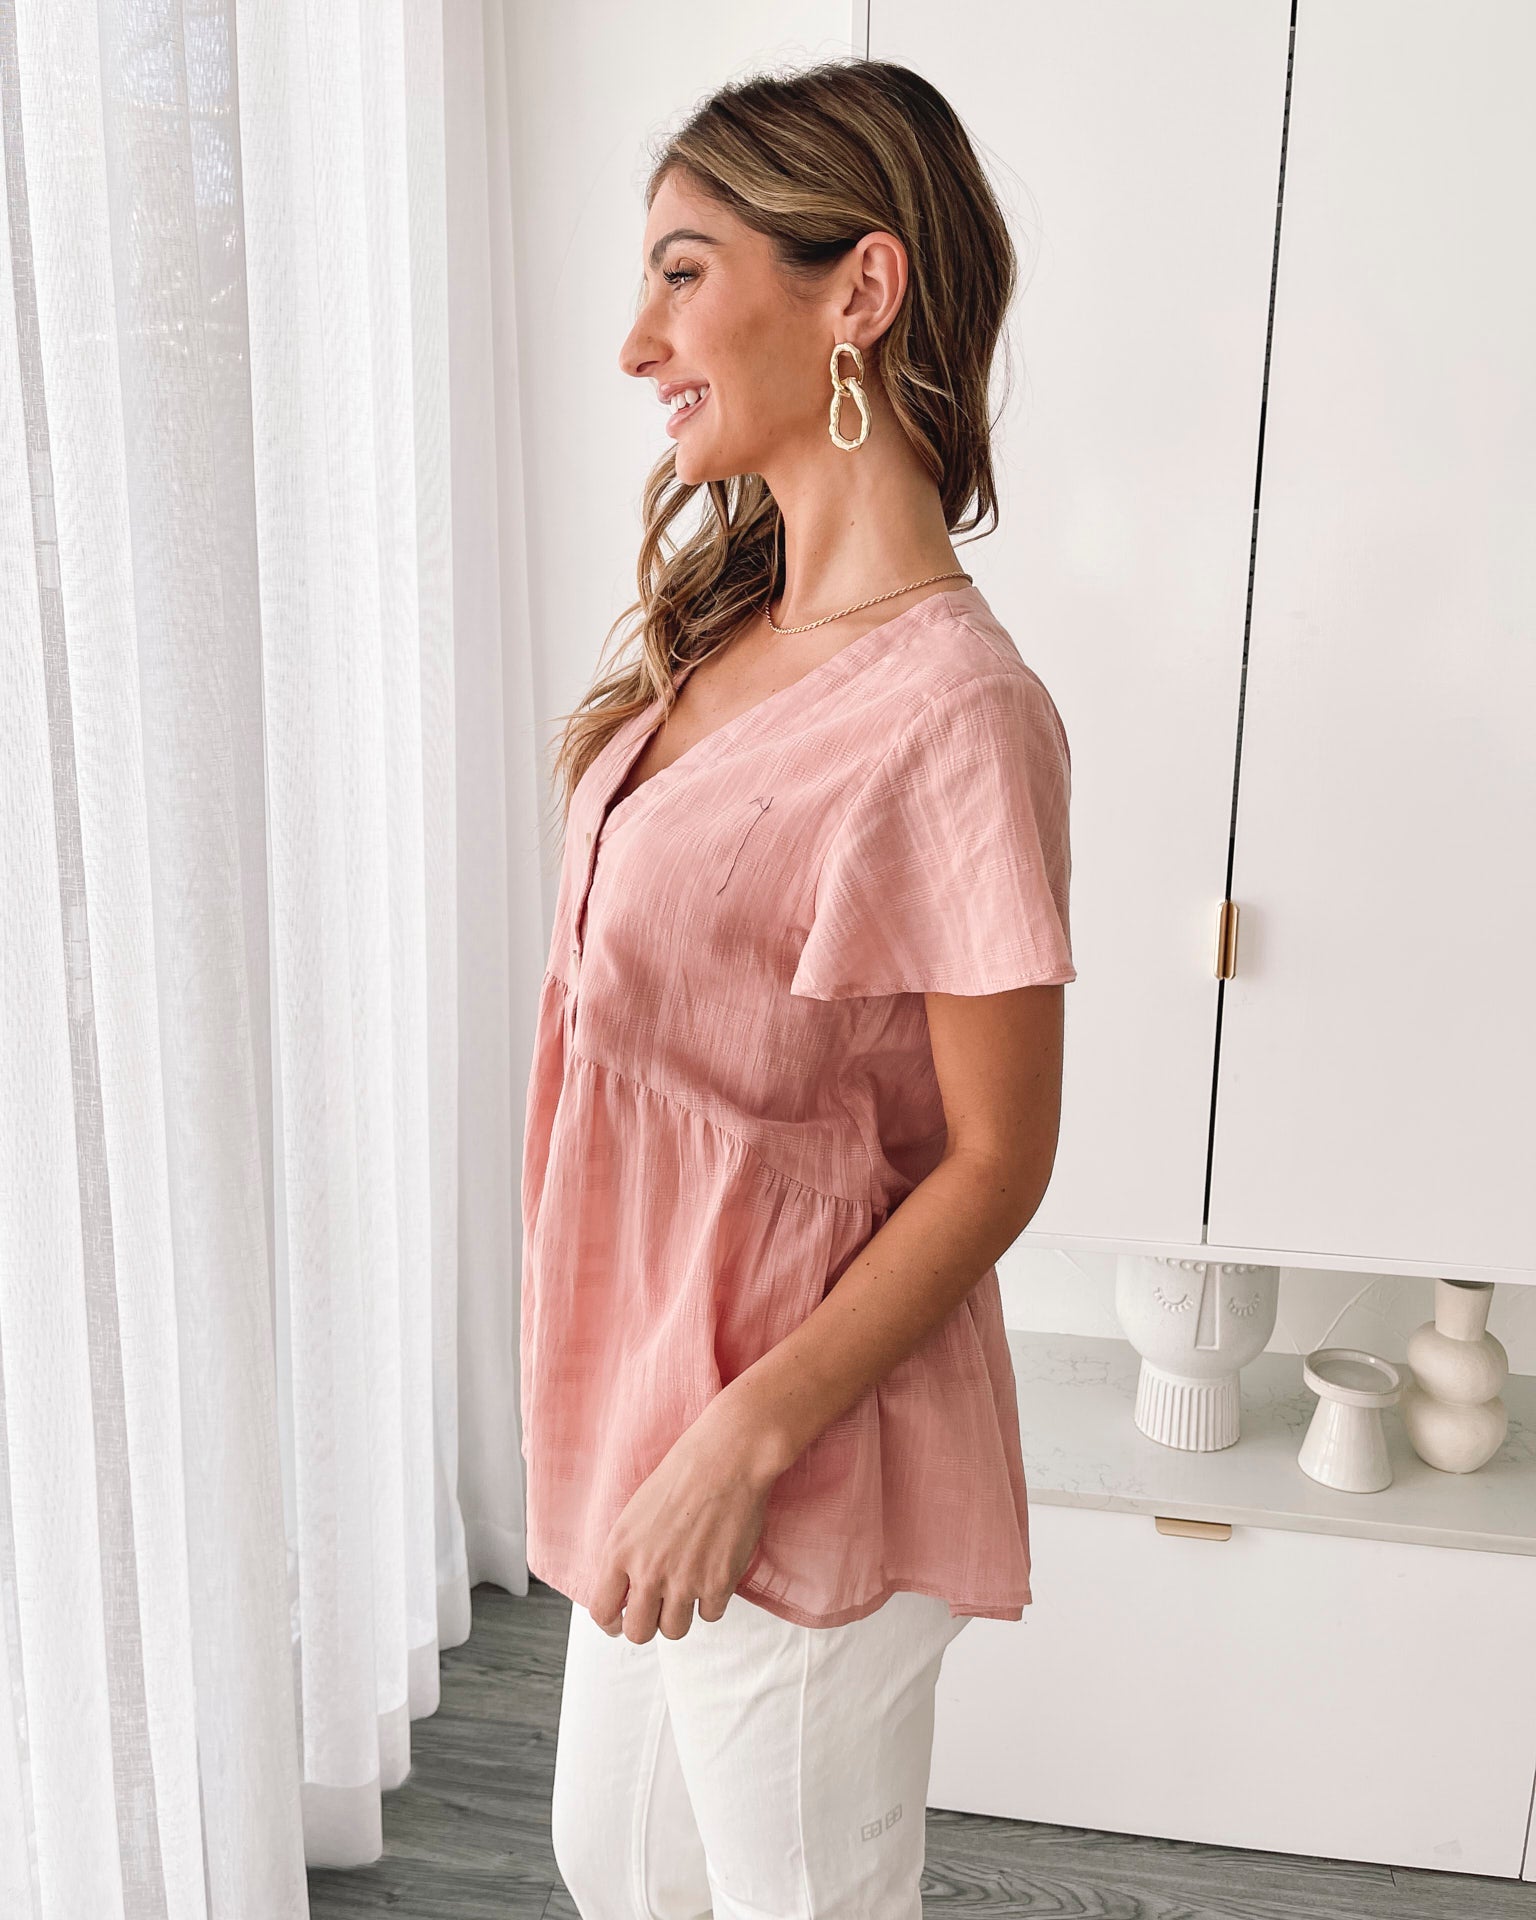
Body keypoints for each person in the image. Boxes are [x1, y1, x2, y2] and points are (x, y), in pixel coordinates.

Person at [520, 56, 1077, 1920]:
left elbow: (997, 1163)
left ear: (861, 289)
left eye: (684, 272)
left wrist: (748, 1438)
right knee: (618, 1864)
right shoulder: (736, 627)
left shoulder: (957, 716)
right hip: (657, 1401)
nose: (635, 341)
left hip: (803, 1436)